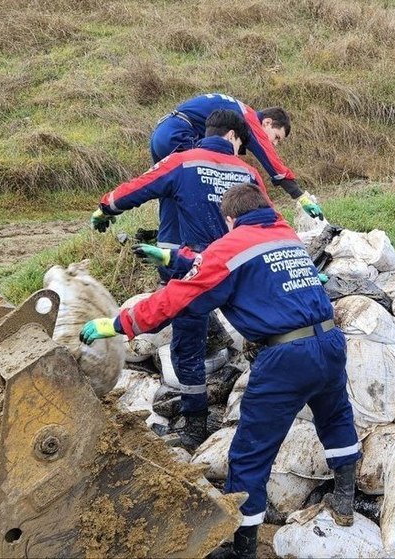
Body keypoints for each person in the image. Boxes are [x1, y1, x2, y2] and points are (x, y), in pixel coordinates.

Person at [80, 183, 361, 559]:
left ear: (229, 220)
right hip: (329, 341)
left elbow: (186, 290)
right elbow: (223, 264)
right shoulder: (285, 236)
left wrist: (120, 323)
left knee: (250, 453)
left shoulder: (232, 244)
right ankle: (345, 500)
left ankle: (242, 547)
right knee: (336, 416)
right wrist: (175, 259)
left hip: (286, 358)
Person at [90, 109, 266, 450]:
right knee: (263, 331)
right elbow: (266, 220)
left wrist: (105, 208)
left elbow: (138, 188)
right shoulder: (248, 172)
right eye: (242, 142)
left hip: (194, 272)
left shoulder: (183, 161)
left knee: (188, 348)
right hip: (241, 267)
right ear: (233, 136)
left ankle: (195, 425)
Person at [150, 92, 323, 254]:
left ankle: (167, 256)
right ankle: (208, 253)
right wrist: (299, 195)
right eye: (277, 137)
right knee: (208, 185)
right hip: (180, 135)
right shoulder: (249, 117)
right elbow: (269, 158)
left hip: (162, 134)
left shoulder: (236, 111)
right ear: (267, 122)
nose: (275, 144)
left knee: (172, 194)